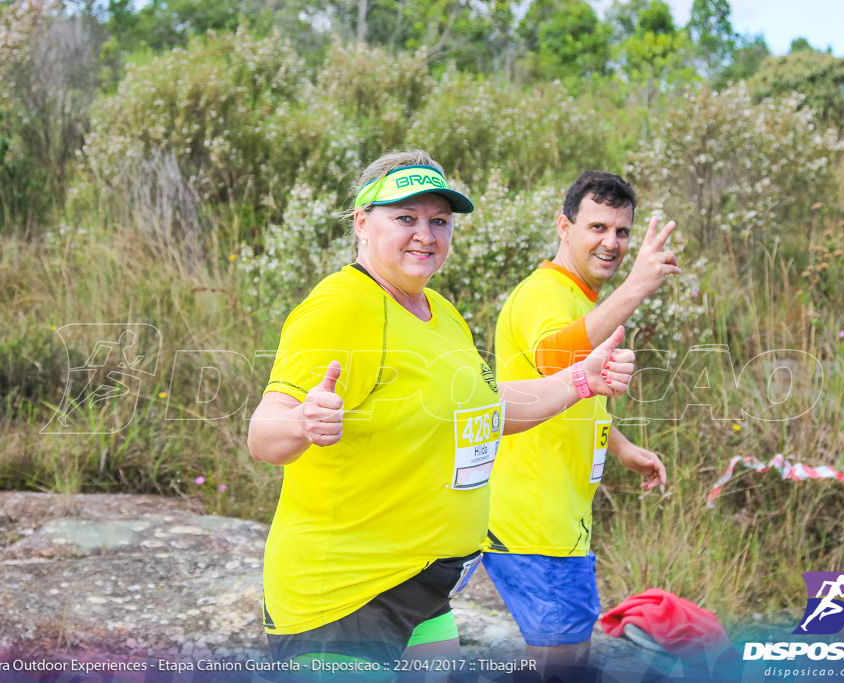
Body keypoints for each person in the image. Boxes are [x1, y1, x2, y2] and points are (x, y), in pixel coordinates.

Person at [246, 151, 638, 669]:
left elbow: (486, 410)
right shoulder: (343, 306)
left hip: (425, 590)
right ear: (363, 223)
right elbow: (262, 432)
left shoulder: (442, 312)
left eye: (439, 221)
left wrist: (578, 381)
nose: (425, 235)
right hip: (346, 598)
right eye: (405, 218)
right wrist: (301, 421)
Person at [483, 171, 679, 680]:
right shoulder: (546, 295)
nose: (610, 243)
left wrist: (620, 447)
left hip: (557, 523)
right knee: (563, 664)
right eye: (597, 227)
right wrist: (637, 285)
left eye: (621, 232)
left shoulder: (581, 300)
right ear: (563, 227)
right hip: (534, 526)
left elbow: (570, 392)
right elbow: (556, 362)